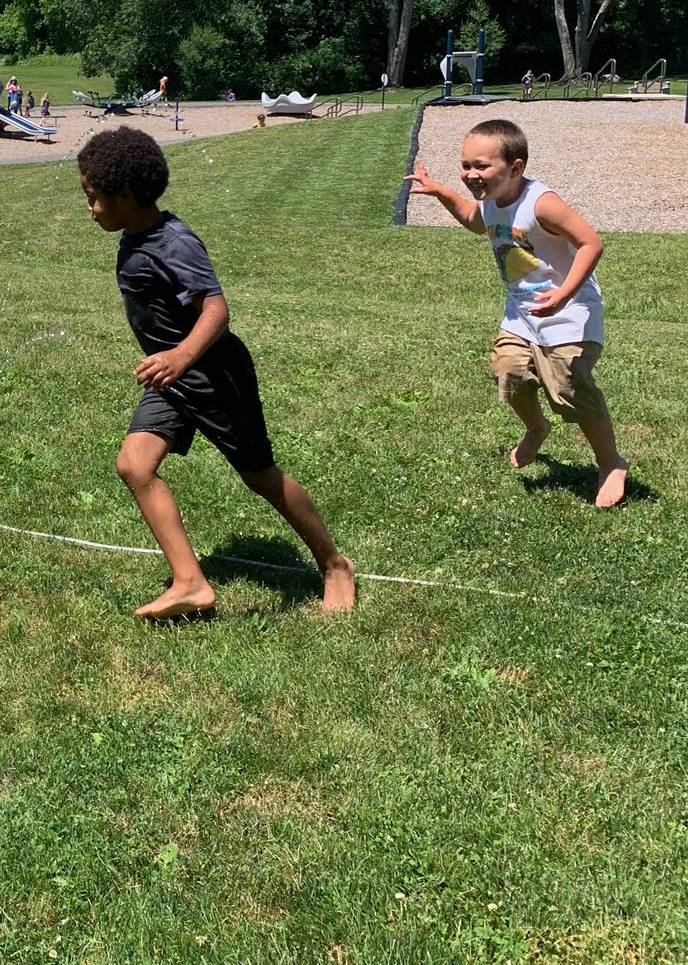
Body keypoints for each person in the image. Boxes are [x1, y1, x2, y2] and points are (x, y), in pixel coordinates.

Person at [77, 126, 356, 619]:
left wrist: (180, 356)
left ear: (124, 196)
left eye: (94, 198)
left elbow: (216, 310)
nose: (90, 208)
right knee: (134, 465)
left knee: (261, 477)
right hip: (172, 379)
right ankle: (190, 583)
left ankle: (334, 564)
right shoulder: (136, 234)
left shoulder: (174, 242)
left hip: (213, 377)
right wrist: (172, 364)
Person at [408, 118, 629, 509]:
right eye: (466, 166)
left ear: (516, 168)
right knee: (507, 370)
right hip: (522, 312)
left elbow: (591, 242)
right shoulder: (493, 201)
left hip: (571, 311)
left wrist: (564, 293)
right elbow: (477, 222)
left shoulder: (540, 203)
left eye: (482, 166)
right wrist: (440, 190)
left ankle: (611, 462)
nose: (471, 175)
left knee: (567, 390)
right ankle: (535, 427)